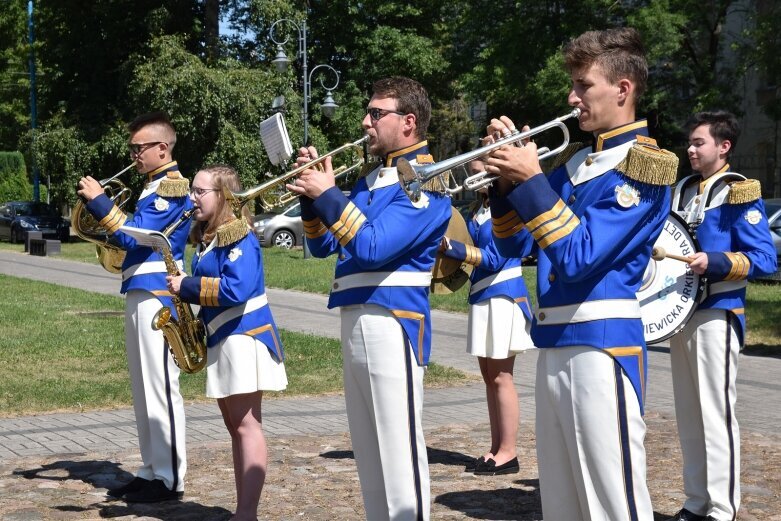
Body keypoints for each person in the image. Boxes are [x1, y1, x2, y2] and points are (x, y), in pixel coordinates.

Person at [483, 27, 679, 520]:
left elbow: (579, 256)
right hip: (554, 341)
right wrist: (505, 184)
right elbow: (511, 243)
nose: (572, 98)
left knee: (613, 501)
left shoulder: (646, 167)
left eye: (583, 85)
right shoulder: (573, 167)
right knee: (564, 502)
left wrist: (529, 179)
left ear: (623, 89)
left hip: (602, 344)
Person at [286, 76, 452, 520]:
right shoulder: (370, 180)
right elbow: (323, 246)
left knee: (398, 450)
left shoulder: (426, 180)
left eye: (377, 113)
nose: (366, 121)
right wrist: (310, 199)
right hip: (355, 315)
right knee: (369, 449)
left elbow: (374, 246)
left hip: (392, 318)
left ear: (409, 122)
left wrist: (329, 194)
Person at [666, 111, 777, 521]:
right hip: (681, 313)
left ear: (723, 147)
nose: (690, 150)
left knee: (716, 414)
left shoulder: (740, 192)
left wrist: (713, 260)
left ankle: (722, 508)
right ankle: (695, 501)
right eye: (690, 143)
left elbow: (765, 259)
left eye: (699, 143)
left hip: (718, 313)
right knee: (689, 414)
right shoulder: (681, 190)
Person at [77, 111, 191, 502]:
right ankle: (151, 470)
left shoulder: (173, 188)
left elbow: (133, 237)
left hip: (159, 293)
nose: (134, 154)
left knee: (160, 385)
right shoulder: (150, 187)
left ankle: (170, 476)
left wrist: (99, 202)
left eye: (139, 148)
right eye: (132, 148)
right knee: (144, 388)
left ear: (163, 148)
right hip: (139, 290)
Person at [167, 165, 287, 521]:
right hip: (225, 337)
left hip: (244, 337)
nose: (192, 197)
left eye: (200, 191)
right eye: (192, 190)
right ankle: (243, 508)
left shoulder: (238, 236)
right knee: (235, 427)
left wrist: (186, 286)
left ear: (222, 196)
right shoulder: (212, 237)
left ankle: (247, 512)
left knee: (247, 426)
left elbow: (237, 289)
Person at [440, 160, 535, 476]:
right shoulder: (480, 208)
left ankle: (508, 451)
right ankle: (497, 448)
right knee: (489, 377)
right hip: (484, 294)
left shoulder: (505, 205)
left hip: (502, 293)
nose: (472, 174)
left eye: (479, 169)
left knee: (501, 377)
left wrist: (452, 248)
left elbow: (494, 259)